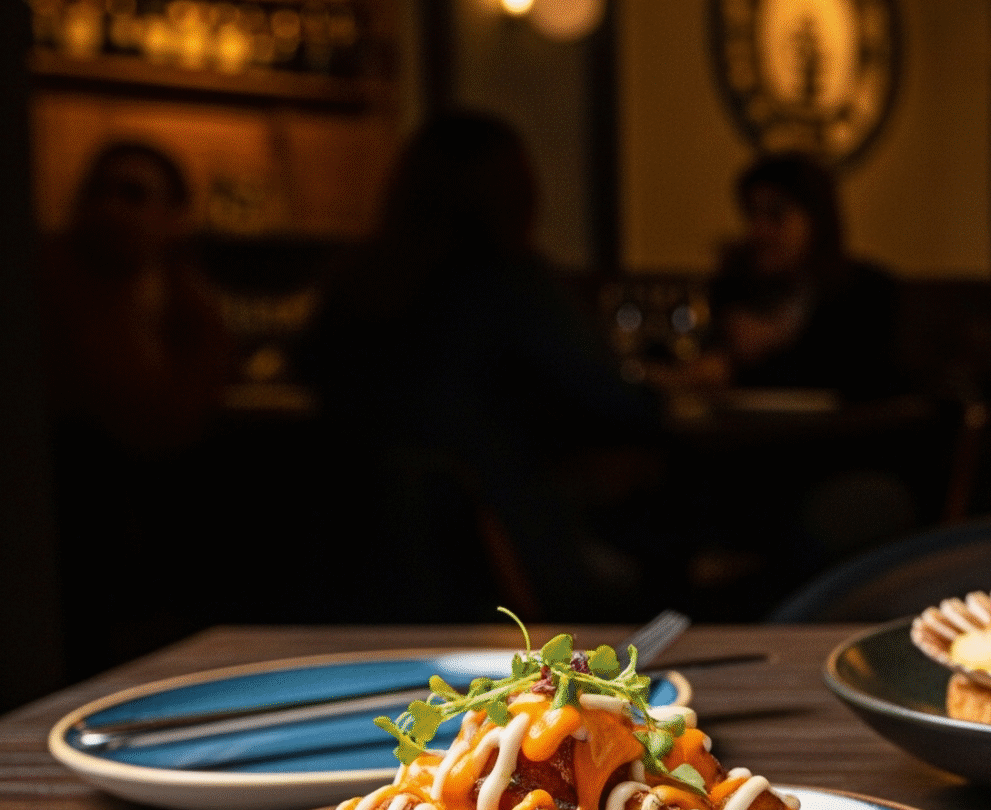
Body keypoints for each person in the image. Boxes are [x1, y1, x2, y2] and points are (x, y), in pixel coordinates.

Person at [303, 112, 656, 619]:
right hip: (506, 562)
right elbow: (614, 403)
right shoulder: (512, 286)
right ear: (516, 193)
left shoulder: (354, 287)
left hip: (359, 569)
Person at [40, 142, 235, 671]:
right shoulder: (47, 290)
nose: (111, 209)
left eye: (132, 194)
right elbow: (118, 408)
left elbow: (188, 410)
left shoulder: (189, 300)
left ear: (175, 216)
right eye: (98, 192)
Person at [701, 153, 903, 401]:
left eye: (776, 214)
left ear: (817, 219)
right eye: (752, 215)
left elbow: (863, 381)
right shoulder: (736, 287)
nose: (758, 230)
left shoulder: (867, 291)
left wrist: (775, 342)